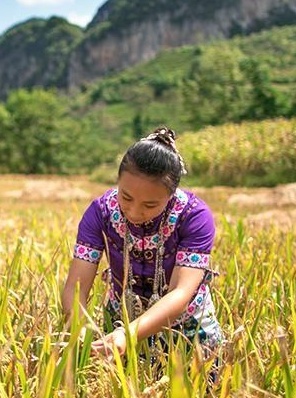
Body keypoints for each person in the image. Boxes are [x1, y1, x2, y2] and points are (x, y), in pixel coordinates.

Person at [60, 126, 225, 376]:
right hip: (120, 324)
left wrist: (129, 334)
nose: (135, 212)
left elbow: (181, 292)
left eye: (150, 204)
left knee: (201, 394)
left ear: (171, 195)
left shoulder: (194, 216)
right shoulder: (100, 213)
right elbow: (76, 287)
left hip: (187, 328)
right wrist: (79, 327)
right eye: (126, 197)